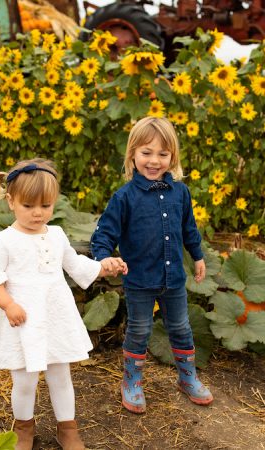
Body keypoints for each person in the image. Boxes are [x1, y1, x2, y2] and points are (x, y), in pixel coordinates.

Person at [0, 158, 127, 450]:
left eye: (45, 206)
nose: (38, 213)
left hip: (55, 317)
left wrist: (103, 266)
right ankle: (23, 429)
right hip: (22, 321)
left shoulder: (56, 235)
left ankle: (67, 428)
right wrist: (8, 305)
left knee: (61, 376)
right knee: (24, 381)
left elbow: (76, 265)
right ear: (11, 201)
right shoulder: (4, 240)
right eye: (28, 206)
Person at [90, 117, 213, 414]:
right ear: (132, 154)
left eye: (163, 154)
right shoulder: (124, 198)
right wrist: (103, 257)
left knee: (181, 326)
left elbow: (189, 229)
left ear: (173, 157)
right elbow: (104, 234)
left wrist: (198, 256)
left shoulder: (181, 193)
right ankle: (132, 381)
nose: (154, 161)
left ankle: (187, 377)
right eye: (146, 153)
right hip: (140, 280)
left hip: (173, 278)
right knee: (140, 329)